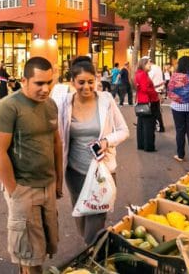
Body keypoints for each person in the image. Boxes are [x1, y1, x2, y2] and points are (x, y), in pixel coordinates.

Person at [0, 56, 62, 274]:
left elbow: (56, 142)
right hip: (24, 188)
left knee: (43, 246)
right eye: (39, 83)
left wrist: (58, 180)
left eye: (49, 82)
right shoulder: (8, 107)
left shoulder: (50, 105)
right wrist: (15, 191)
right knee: (30, 255)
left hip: (47, 186)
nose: (45, 89)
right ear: (24, 80)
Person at [51, 57, 128, 244]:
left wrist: (106, 141)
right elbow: (56, 135)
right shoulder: (64, 104)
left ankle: (91, 253)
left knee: (96, 219)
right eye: (81, 82)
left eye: (91, 82)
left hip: (102, 172)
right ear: (72, 82)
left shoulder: (106, 100)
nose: (86, 87)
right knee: (80, 212)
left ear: (97, 80)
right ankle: (90, 246)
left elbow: (123, 130)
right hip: (75, 172)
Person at [167, 56, 189, 164]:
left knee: (180, 131)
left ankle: (180, 155)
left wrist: (178, 98)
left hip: (177, 107)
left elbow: (170, 90)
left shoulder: (174, 76)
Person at [134, 57, 159, 152]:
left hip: (141, 101)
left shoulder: (138, 74)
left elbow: (141, 88)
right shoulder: (144, 74)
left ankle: (141, 144)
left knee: (141, 125)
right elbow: (145, 89)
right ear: (144, 64)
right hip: (149, 101)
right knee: (149, 125)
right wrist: (155, 92)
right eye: (149, 63)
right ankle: (149, 146)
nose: (150, 65)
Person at [147, 58, 166, 133]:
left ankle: (159, 126)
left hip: (154, 91)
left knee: (154, 110)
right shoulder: (158, 67)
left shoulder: (151, 69)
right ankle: (156, 125)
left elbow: (149, 80)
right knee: (155, 109)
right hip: (159, 90)